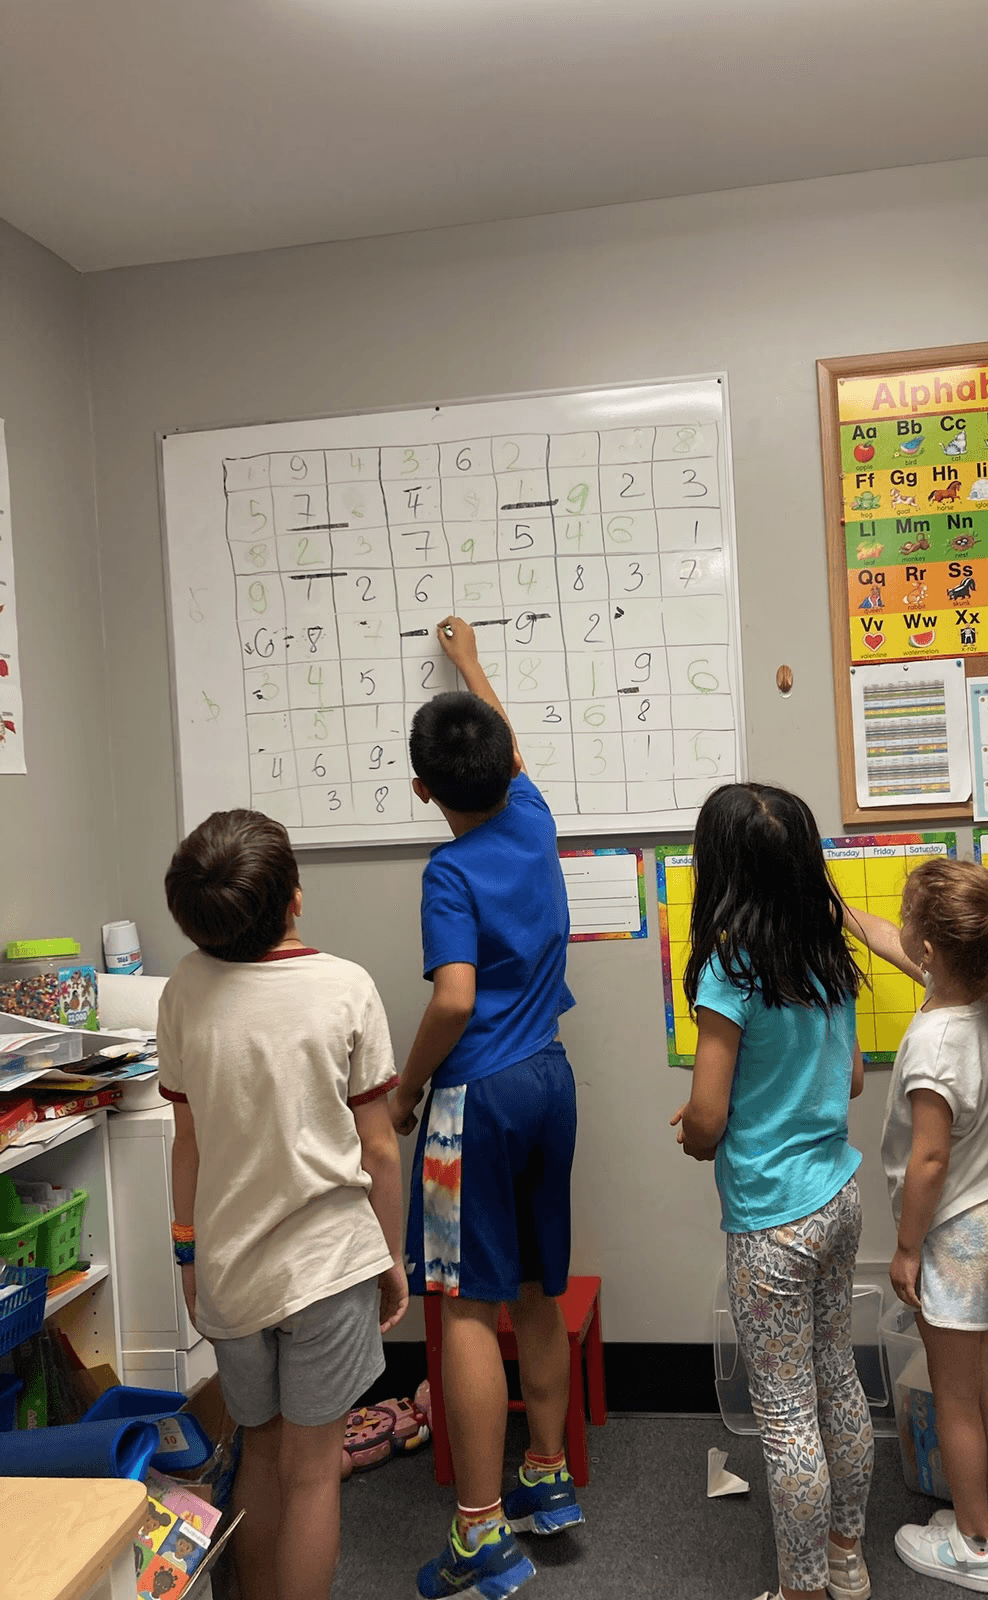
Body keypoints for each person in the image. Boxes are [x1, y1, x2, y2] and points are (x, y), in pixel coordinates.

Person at [158, 808, 408, 1600]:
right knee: (312, 1477)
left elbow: (187, 1142)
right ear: (294, 899)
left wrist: (189, 1253)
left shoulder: (184, 989)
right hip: (328, 1269)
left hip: (233, 1273)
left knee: (259, 1455)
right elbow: (379, 1150)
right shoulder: (345, 988)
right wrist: (391, 1260)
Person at [391, 616, 582, 1600]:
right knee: (539, 1282)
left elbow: (453, 997)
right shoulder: (535, 814)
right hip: (550, 1082)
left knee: (465, 1304)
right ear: (510, 765)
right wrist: (471, 667)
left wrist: (406, 1085)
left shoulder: (449, 870)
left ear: (424, 792)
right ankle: (545, 1473)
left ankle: (479, 1531)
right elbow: (505, 739)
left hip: (476, 1094)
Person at [671, 783, 872, 1600]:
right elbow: (853, 1077)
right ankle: (846, 1560)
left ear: (722, 870)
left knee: (786, 1414)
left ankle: (802, 1591)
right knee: (840, 1379)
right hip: (839, 1198)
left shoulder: (731, 965)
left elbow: (709, 1118)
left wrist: (691, 1128)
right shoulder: (826, 947)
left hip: (772, 1225)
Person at [845, 858, 988, 1590]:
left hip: (957, 1237)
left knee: (956, 1395)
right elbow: (877, 935)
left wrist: (905, 1249)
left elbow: (929, 1159)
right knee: (983, 1385)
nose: (896, 927)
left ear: (931, 952)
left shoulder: (936, 1045)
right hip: (987, 1220)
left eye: (908, 919)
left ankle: (974, 1542)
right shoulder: (972, 990)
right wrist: (834, 900)